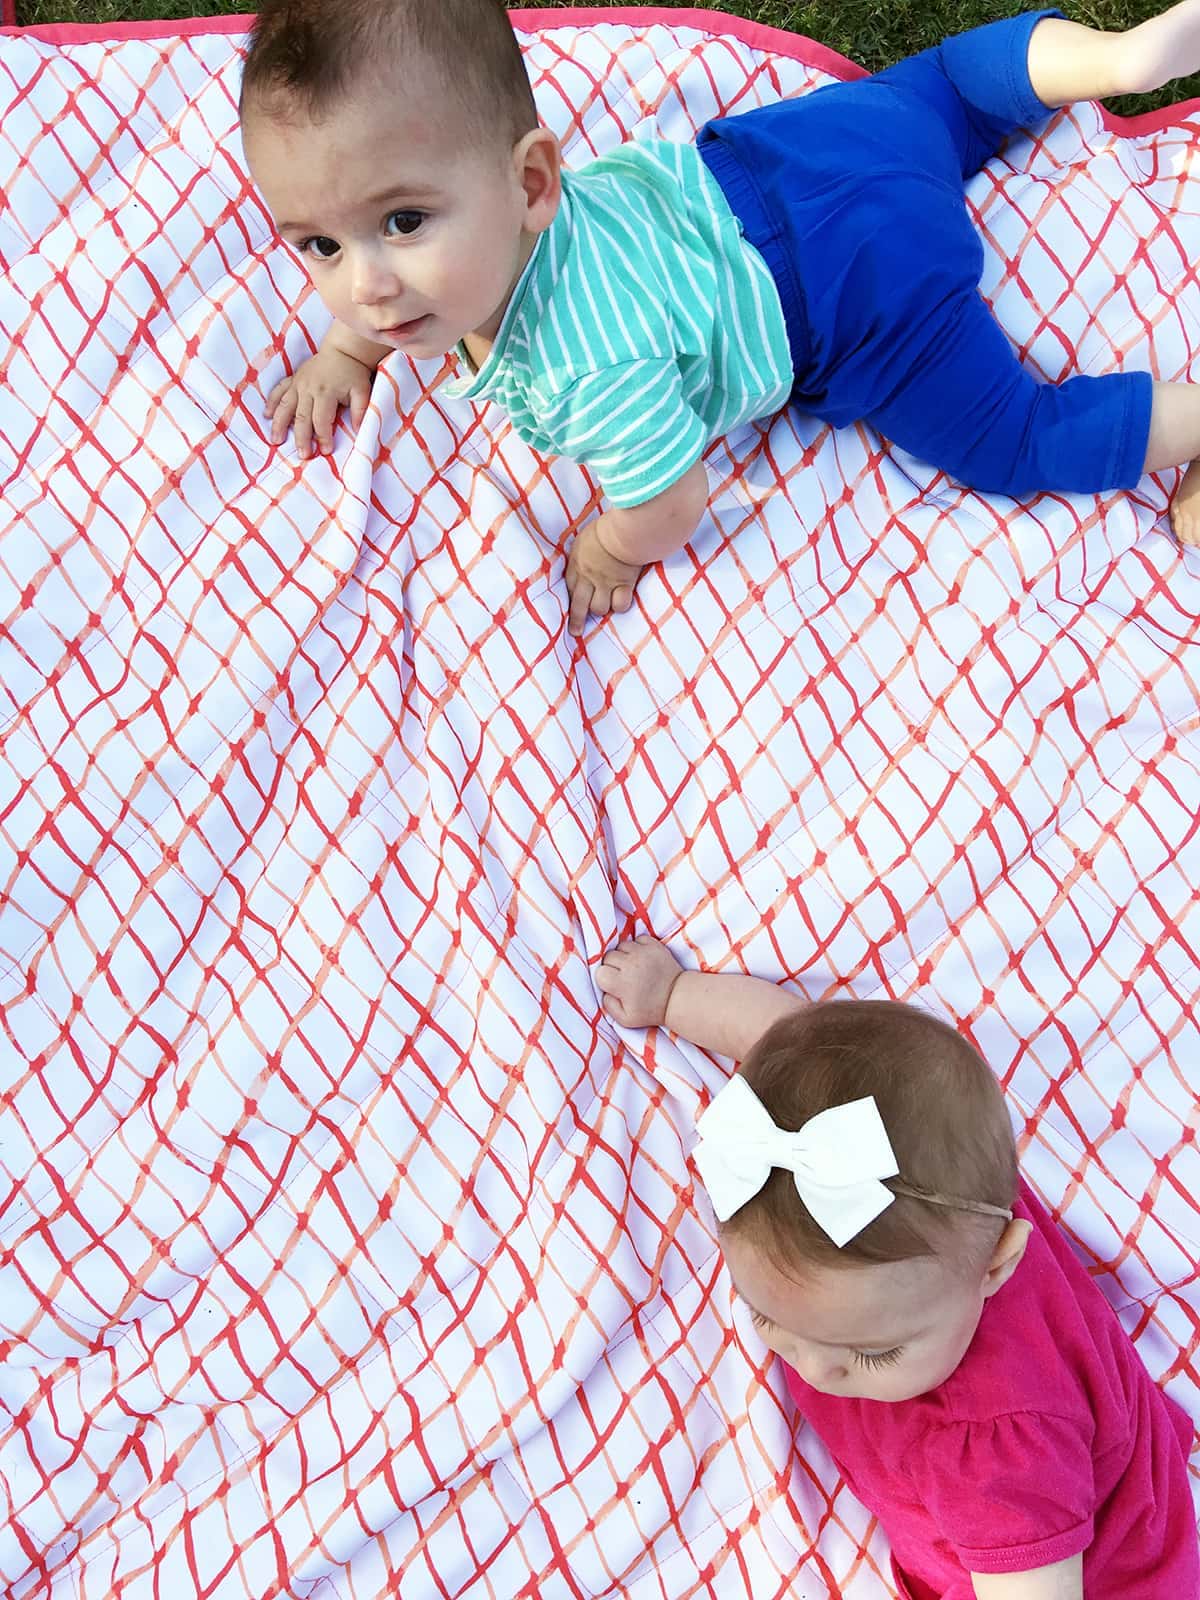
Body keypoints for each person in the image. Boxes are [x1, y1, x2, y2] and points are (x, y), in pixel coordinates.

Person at [239, 0, 1200, 637]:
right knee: (944, 90)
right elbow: (388, 302)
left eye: (402, 223)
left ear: (533, 181)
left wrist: (609, 547)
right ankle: (1113, 58)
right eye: (318, 245)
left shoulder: (588, 372)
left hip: (853, 296)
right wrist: (348, 350)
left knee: (1017, 439)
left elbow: (669, 501)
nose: (364, 287)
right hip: (791, 156)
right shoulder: (464, 251)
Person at [594, 935, 1199, 1600]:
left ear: (997, 1265)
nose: (816, 1368)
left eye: (875, 1351)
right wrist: (675, 996)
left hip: (1094, 1573)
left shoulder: (1002, 1457)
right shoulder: (920, 1179)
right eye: (770, 1316)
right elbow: (781, 1035)